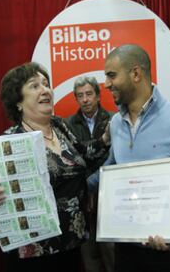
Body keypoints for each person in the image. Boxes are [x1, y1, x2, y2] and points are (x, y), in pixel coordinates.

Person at [0, 62, 109, 272]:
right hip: (35, 252)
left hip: (72, 241)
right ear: (18, 102)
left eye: (46, 84)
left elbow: (84, 154)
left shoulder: (59, 126)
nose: (45, 89)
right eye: (34, 86)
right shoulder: (11, 141)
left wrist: (107, 138)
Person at [92, 44, 170, 272]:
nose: (107, 84)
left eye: (111, 75)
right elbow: (111, 172)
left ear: (136, 74)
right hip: (127, 249)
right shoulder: (115, 124)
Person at [66, 76, 114, 272]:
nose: (85, 100)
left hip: (108, 192)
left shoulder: (113, 119)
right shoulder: (67, 124)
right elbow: (74, 158)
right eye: (80, 96)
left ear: (98, 95)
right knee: (89, 253)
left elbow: (114, 155)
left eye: (88, 94)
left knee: (111, 250)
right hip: (83, 194)